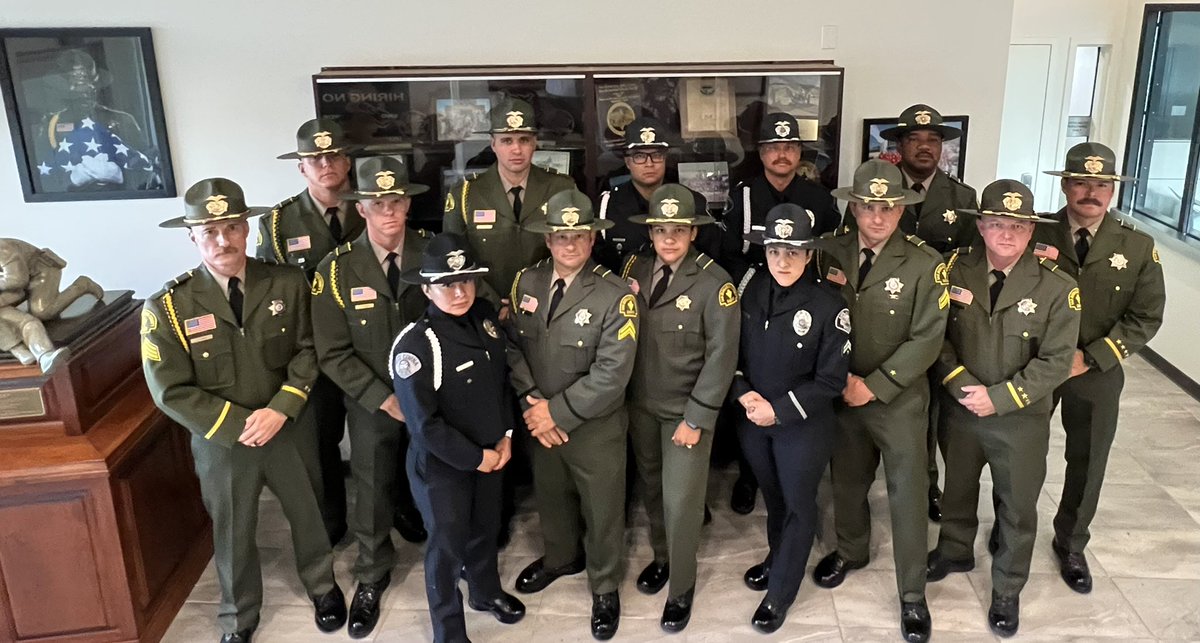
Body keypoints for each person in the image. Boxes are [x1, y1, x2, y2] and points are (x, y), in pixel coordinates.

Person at [140, 178, 345, 643]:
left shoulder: (288, 283)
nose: (222, 240)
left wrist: (281, 408)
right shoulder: (169, 306)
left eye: (232, 227)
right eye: (209, 231)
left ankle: (323, 586)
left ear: (247, 230)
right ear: (191, 236)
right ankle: (238, 615)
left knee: (309, 512)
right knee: (233, 530)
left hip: (287, 427)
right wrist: (239, 425)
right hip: (223, 441)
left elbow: (310, 349)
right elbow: (169, 390)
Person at [926, 180, 1080, 637]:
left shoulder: (1058, 287)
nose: (1006, 234)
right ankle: (954, 549)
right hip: (963, 408)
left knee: (1017, 505)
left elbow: (1056, 362)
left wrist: (1000, 398)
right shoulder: (953, 270)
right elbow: (939, 340)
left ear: (1032, 232)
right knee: (957, 487)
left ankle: (1008, 586)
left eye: (1017, 225)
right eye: (996, 224)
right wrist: (963, 387)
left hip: (1021, 418)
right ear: (981, 226)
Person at [812, 159, 947, 643]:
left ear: (901, 209)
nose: (876, 217)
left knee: (908, 495)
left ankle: (912, 593)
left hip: (898, 399)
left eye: (887, 208)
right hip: (843, 394)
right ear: (853, 206)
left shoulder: (926, 262)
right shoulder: (829, 252)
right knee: (846, 482)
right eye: (867, 206)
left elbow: (927, 339)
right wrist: (839, 380)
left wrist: (876, 384)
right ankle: (851, 550)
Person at [506, 189, 639, 641]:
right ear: (548, 239)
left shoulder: (615, 293)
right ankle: (561, 558)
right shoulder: (526, 282)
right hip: (538, 419)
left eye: (578, 236)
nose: (569, 245)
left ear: (591, 237)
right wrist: (531, 404)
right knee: (552, 495)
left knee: (602, 508)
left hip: (592, 426)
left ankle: (604, 585)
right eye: (561, 236)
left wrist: (556, 413)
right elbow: (514, 346)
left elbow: (612, 374)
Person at [1035, 142, 1166, 593]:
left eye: (1101, 184)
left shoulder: (1136, 245)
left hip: (1096, 369)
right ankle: (1011, 528)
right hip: (1033, 365)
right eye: (1082, 182)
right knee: (1023, 453)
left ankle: (1071, 543)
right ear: (1066, 185)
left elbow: (1146, 316)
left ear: (1112, 191)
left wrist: (1092, 357)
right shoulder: (1034, 234)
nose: (1091, 192)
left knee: (1088, 459)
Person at [310, 156, 432, 638]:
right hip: (372, 401)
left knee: (442, 479)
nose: (389, 213)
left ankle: (454, 559)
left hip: (432, 399)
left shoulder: (434, 252)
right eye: (378, 204)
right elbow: (332, 353)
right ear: (360, 208)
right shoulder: (336, 271)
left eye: (396, 202)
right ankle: (371, 573)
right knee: (374, 485)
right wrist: (382, 398)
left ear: (407, 203)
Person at [390, 233, 526, 643]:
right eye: (446, 284)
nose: (458, 291)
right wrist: (476, 458)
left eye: (465, 281)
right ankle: (448, 631)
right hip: (443, 466)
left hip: (491, 452)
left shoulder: (484, 316)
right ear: (428, 288)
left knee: (486, 529)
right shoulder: (416, 345)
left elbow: (499, 382)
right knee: (446, 549)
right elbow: (424, 426)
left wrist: (504, 436)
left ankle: (484, 593)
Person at [618, 184, 740, 632]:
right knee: (651, 488)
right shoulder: (634, 267)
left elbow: (721, 357)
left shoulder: (714, 283)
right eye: (660, 229)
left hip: (686, 412)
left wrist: (697, 416)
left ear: (693, 232)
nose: (669, 238)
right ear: (650, 233)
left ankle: (681, 588)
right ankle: (664, 558)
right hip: (641, 406)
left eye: (679, 230)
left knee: (683, 500)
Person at [852, 104, 980, 520]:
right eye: (915, 139)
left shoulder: (962, 198)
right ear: (899, 145)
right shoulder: (871, 190)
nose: (925, 148)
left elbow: (968, 265)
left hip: (941, 321)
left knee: (935, 412)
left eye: (933, 141)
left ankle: (926, 485)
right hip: (887, 324)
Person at [731, 203, 850, 634]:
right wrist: (745, 398)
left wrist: (776, 410)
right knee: (774, 499)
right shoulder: (749, 288)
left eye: (794, 252)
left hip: (801, 424)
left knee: (800, 505)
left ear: (809, 254)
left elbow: (831, 381)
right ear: (765, 251)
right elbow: (733, 354)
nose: (783, 261)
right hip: (752, 418)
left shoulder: (827, 303)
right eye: (776, 250)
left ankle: (781, 591)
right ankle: (777, 557)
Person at [720, 111, 840, 513]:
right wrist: (746, 291)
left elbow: (828, 253)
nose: (782, 154)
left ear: (799, 151)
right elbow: (729, 254)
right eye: (774, 147)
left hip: (805, 298)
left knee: (795, 376)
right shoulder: (744, 194)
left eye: (789, 147)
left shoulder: (819, 198)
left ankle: (795, 470)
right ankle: (749, 475)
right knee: (753, 377)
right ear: (762, 151)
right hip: (753, 295)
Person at [258, 117, 369, 547]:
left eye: (335, 155)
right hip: (314, 354)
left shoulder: (372, 207)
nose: (327, 164)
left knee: (378, 437)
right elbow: (273, 294)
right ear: (301, 167)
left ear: (347, 161)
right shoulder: (277, 224)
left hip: (365, 349)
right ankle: (330, 520)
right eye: (315, 158)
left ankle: (395, 508)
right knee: (320, 443)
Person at [443, 98, 577, 304]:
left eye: (524, 139)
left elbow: (576, 250)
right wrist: (494, 304)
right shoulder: (466, 194)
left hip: (549, 306)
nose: (516, 149)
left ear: (534, 143)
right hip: (482, 307)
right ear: (493, 144)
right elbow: (453, 258)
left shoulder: (560, 188)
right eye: (507, 140)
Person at [593, 116, 720, 271]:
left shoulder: (693, 203)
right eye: (639, 156)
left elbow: (712, 261)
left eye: (656, 155)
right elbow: (597, 265)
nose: (649, 163)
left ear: (665, 158)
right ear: (627, 162)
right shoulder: (607, 206)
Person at [0, 237, 103, 371]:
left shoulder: (3, 249)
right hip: (17, 287)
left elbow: (17, 279)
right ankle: (22, 350)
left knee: (43, 311)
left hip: (41, 272)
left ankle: (82, 285)